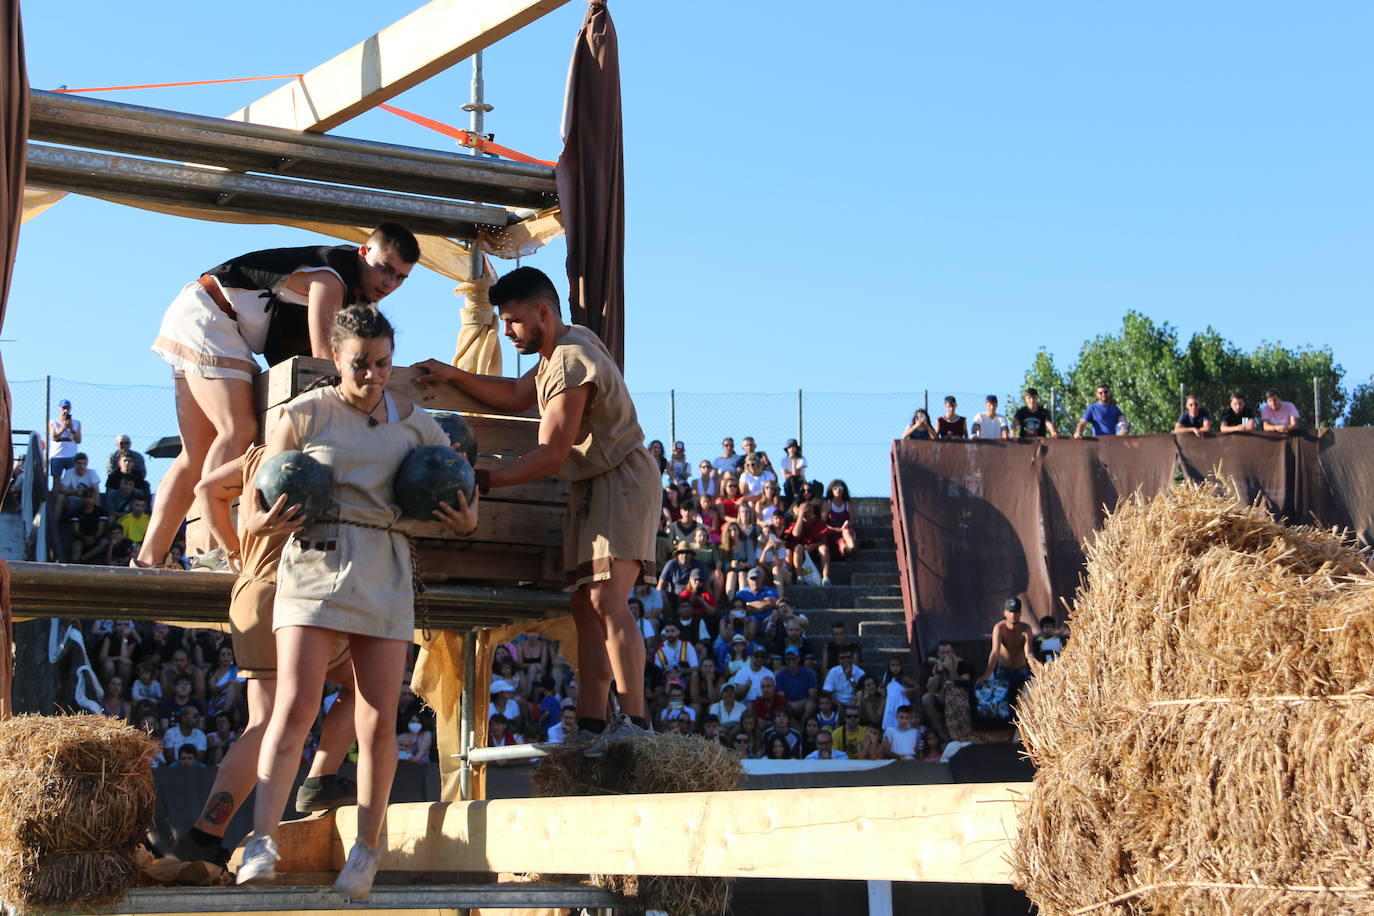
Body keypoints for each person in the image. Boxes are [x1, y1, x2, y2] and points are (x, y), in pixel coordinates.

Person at [238, 306, 479, 897]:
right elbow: (250, 505)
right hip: (316, 560)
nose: (373, 374)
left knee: (377, 720)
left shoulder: (419, 425)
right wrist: (263, 521)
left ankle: (367, 852)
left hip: (385, 563)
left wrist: (466, 520)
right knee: (294, 708)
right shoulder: (301, 415)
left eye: (382, 363)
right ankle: (261, 840)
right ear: (337, 359)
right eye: (360, 363)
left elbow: (456, 495)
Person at [413, 267, 658, 754]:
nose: (507, 330)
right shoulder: (559, 349)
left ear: (542, 312)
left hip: (621, 482)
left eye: (513, 320)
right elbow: (513, 395)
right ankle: (592, 722)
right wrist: (454, 373)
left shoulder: (571, 358)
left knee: (609, 605)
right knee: (584, 610)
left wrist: (481, 478)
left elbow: (550, 454)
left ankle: (637, 725)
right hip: (594, 484)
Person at [135, 224, 421, 570]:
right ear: (363, 251)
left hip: (201, 312)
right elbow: (321, 360)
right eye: (385, 268)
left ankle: (150, 558)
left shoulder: (351, 284)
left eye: (401, 278)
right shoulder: (332, 279)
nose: (389, 283)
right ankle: (210, 553)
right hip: (212, 315)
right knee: (237, 430)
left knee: (196, 452)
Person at [980, 598, 1034, 707]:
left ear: (1020, 613)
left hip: (1021, 672)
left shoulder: (1026, 628)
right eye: (1010, 611)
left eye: (1015, 612)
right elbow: (995, 652)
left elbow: (1029, 654)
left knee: (1023, 706)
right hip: (1003, 672)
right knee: (1002, 707)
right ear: (1005, 612)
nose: (1013, 615)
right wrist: (986, 675)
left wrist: (1040, 673)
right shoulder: (999, 628)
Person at [48, 399, 82, 485]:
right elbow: (53, 437)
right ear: (59, 409)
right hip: (57, 455)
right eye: (63, 408)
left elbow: (78, 440)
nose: (65, 410)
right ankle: (55, 497)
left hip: (71, 455)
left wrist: (71, 429)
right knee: (56, 480)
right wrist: (63, 428)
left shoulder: (76, 423)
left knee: (72, 481)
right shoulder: (53, 422)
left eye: (67, 408)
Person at [823, 479, 857, 560]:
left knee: (846, 532)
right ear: (831, 490)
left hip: (845, 529)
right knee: (841, 541)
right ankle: (849, 552)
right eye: (835, 487)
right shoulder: (827, 504)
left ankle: (851, 549)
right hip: (832, 531)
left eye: (840, 488)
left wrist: (848, 523)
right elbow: (822, 523)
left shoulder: (847, 504)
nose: (838, 490)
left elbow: (853, 521)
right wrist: (835, 529)